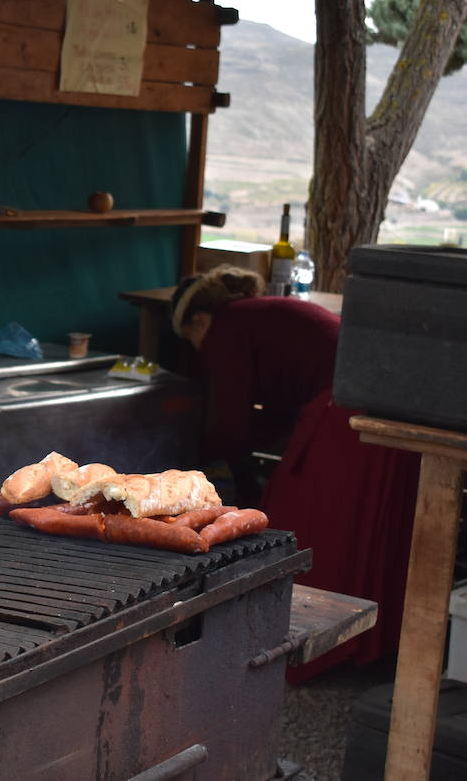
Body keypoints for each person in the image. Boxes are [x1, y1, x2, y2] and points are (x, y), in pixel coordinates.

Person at [171, 264, 419, 679]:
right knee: (371, 524)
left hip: (345, 406)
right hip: (379, 396)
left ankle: (305, 647)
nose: (200, 350)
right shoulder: (262, 312)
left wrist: (185, 462)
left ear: (199, 320)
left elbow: (236, 427)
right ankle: (371, 642)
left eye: (193, 340)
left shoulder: (226, 330)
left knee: (305, 521)